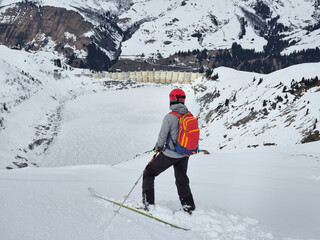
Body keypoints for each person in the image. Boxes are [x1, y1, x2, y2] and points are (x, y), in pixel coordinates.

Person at [142, 88, 196, 214]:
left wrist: (158, 147)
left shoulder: (169, 117)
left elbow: (162, 137)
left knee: (148, 173)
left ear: (171, 100)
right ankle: (189, 206)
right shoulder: (188, 114)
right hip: (184, 154)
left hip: (170, 154)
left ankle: (148, 204)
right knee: (182, 178)